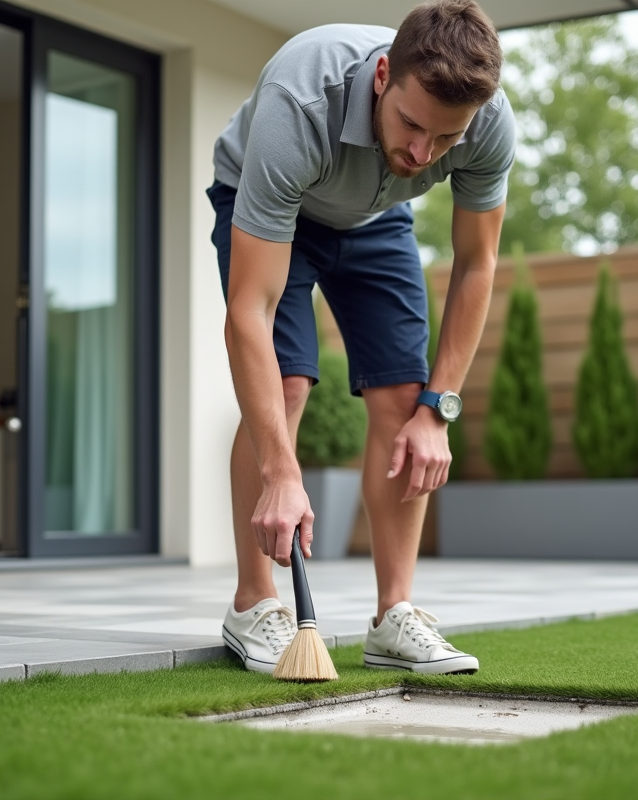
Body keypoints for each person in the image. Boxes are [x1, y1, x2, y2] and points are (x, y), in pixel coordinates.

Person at [210, 0, 514, 675]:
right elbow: (249, 312)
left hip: (376, 217)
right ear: (382, 77)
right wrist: (281, 473)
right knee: (288, 383)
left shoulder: (489, 122)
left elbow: (476, 265)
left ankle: (393, 617)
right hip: (272, 202)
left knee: (407, 398)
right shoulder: (301, 99)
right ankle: (253, 603)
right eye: (412, 124)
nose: (423, 153)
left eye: (445, 139)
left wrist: (439, 410)